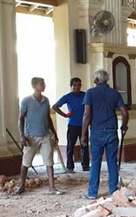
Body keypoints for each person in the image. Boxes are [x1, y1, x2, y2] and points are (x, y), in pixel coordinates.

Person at [81, 69, 129, 200]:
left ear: (96, 80)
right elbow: (125, 113)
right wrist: (124, 125)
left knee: (95, 162)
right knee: (112, 161)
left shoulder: (90, 93)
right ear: (107, 80)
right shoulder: (115, 93)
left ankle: (92, 193)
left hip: (96, 131)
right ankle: (113, 191)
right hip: (111, 131)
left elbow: (87, 114)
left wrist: (83, 134)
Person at [16, 77, 60, 196]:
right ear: (35, 86)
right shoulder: (26, 101)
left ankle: (52, 187)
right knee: (26, 162)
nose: (44, 85)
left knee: (49, 161)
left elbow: (48, 118)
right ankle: (22, 186)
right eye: (42, 84)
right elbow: (21, 119)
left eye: (44, 83)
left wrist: (54, 133)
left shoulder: (46, 100)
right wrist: (22, 136)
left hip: (46, 135)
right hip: (31, 136)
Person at [53, 77, 89, 173]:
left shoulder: (85, 95)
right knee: (70, 146)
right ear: (71, 86)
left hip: (83, 125)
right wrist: (64, 115)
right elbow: (55, 106)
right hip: (72, 125)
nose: (77, 87)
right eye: (75, 85)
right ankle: (70, 166)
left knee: (84, 145)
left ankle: (85, 165)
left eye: (79, 85)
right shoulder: (68, 97)